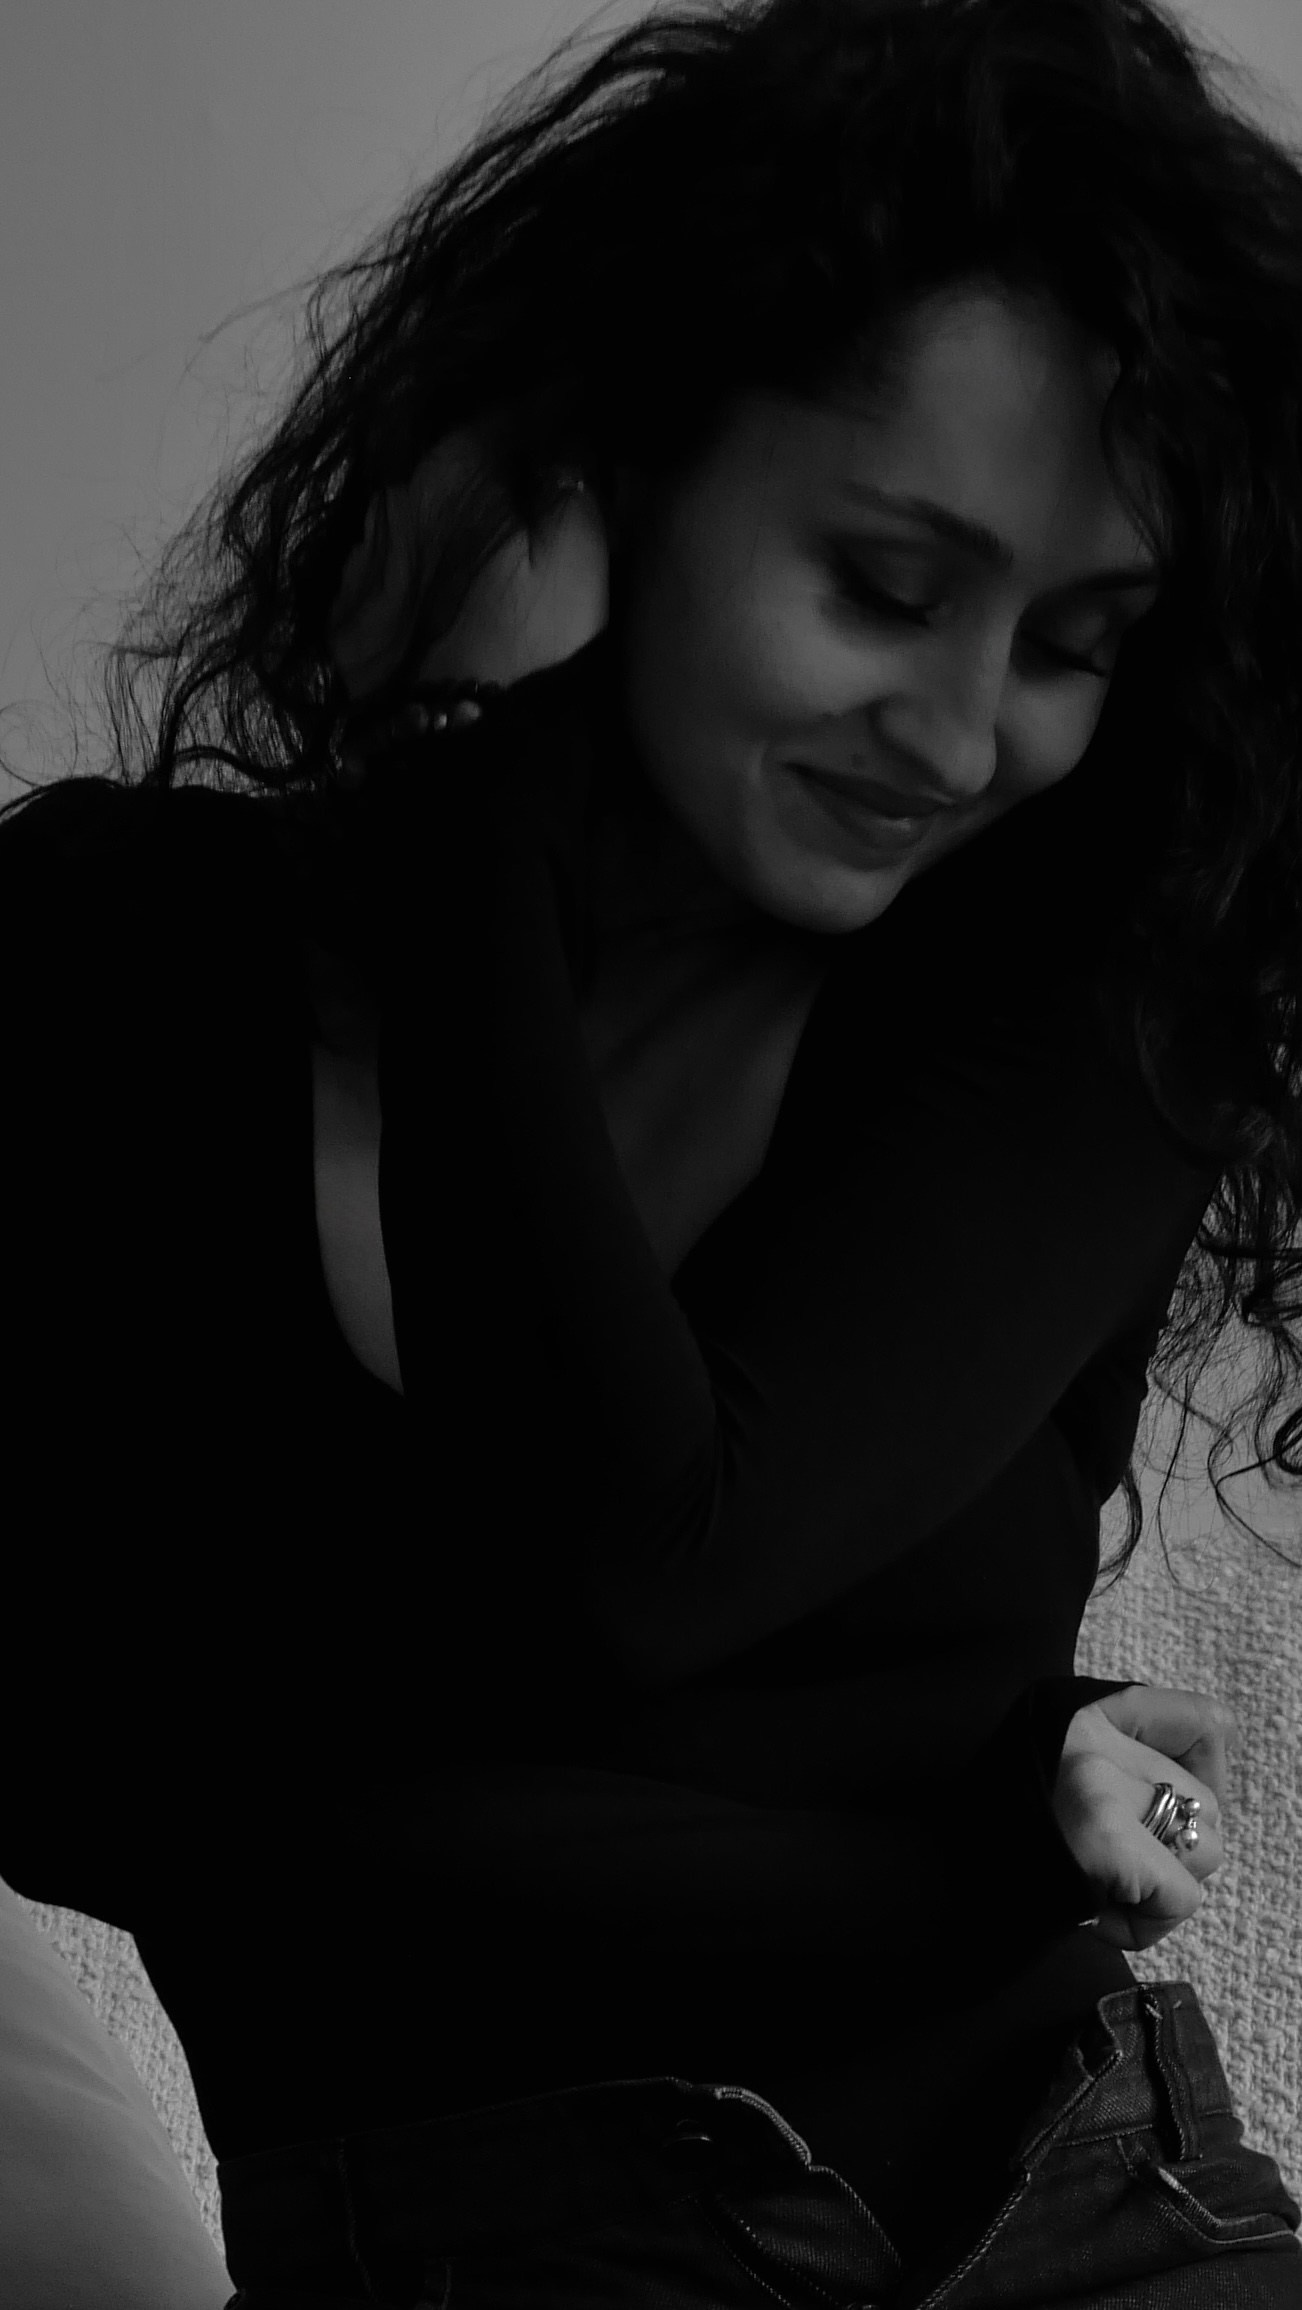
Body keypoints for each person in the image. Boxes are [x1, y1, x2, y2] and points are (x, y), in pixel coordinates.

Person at [2, 0, 1301, 2301]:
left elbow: (636, 1556)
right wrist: (982, 1845)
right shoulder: (113, 961)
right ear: (604, 479)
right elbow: (83, 1785)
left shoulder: (1092, 1011)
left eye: (1078, 639)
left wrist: (374, 1788)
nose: (967, 734)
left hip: (1082, 2215)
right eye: (886, 586)